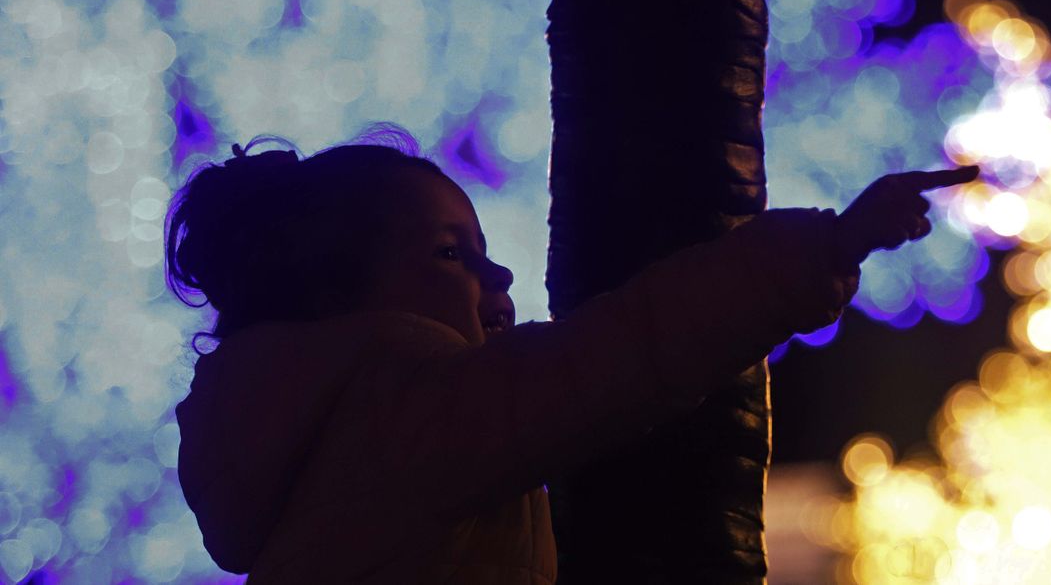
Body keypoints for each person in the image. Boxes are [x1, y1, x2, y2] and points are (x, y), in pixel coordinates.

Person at [168, 124, 979, 582]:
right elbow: (623, 351)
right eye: (452, 256)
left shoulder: (303, 434)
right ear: (336, 296)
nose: (499, 275)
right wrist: (825, 246)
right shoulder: (409, 413)